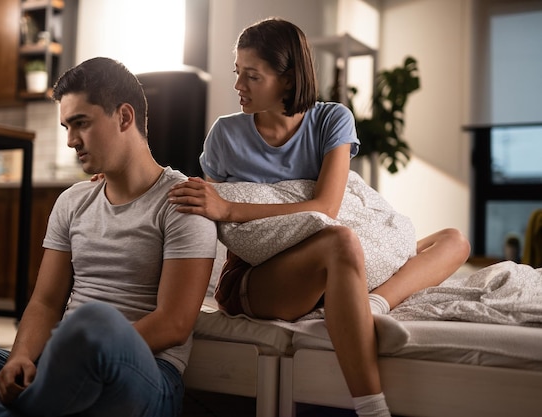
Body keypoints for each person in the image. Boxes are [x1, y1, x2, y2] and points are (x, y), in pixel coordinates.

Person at [168, 17, 470, 417]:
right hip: (261, 278)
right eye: (237, 73)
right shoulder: (225, 135)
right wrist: (135, 180)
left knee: (454, 240)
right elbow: (205, 206)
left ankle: (375, 303)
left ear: (288, 80)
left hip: (332, 259)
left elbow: (327, 207)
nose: (238, 86)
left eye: (252, 76)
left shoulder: (331, 120)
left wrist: (230, 207)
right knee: (342, 241)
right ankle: (372, 408)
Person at [0, 57, 217, 417]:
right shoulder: (72, 201)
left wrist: (84, 352)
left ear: (124, 117)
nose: (72, 140)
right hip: (57, 369)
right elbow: (45, 302)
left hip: (147, 377)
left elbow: (175, 323)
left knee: (94, 322)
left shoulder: (184, 201)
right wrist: (22, 358)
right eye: (66, 127)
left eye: (81, 123)